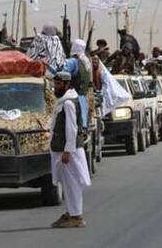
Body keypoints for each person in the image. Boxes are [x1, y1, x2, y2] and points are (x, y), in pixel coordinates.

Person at [50, 71, 91, 228]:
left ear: (67, 85)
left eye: (59, 84)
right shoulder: (65, 100)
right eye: (55, 84)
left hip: (69, 151)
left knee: (72, 183)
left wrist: (67, 151)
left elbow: (72, 129)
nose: (56, 87)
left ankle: (76, 216)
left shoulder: (68, 103)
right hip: (63, 149)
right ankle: (70, 213)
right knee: (67, 183)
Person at [47, 39, 92, 128]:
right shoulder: (86, 62)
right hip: (83, 99)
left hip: (72, 98)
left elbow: (61, 74)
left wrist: (48, 66)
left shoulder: (73, 61)